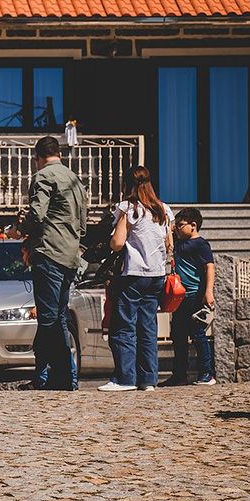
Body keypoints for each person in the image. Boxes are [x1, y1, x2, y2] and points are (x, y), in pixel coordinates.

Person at [16, 136, 88, 390]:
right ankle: (66, 376)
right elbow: (83, 223)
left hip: (49, 252)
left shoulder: (44, 176)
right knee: (59, 317)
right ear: (59, 153)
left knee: (47, 318)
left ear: (37, 157)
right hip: (70, 254)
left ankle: (49, 375)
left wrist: (21, 228)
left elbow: (37, 215)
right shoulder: (74, 179)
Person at [98, 166, 173, 392]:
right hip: (157, 275)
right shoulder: (163, 210)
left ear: (128, 184)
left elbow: (117, 243)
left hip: (133, 274)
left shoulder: (129, 208)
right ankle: (148, 380)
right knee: (148, 327)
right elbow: (169, 244)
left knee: (124, 326)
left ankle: (125, 379)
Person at [162, 208, 216, 386]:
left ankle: (207, 373)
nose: (177, 228)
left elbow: (209, 267)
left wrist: (208, 292)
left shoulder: (201, 245)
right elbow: (168, 235)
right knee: (178, 336)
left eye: (180, 225)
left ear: (193, 225)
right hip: (179, 298)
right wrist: (171, 225)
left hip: (195, 296)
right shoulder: (178, 242)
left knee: (198, 334)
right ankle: (179, 375)